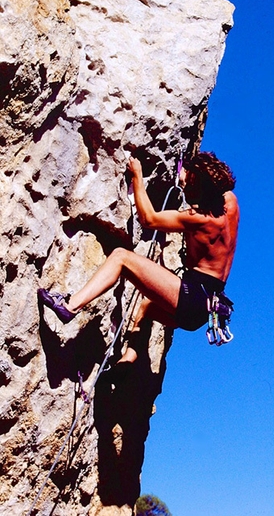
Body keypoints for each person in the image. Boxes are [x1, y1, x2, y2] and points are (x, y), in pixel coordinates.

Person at [38, 151, 239, 364]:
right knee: (147, 307)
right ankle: (129, 359)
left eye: (187, 182)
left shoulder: (197, 219)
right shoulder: (231, 203)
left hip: (192, 296)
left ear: (198, 183)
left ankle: (70, 306)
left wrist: (137, 175)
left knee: (121, 258)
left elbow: (149, 219)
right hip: (206, 307)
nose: (184, 187)